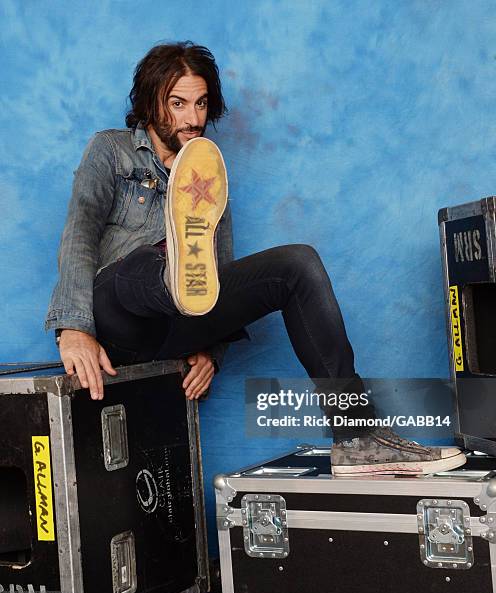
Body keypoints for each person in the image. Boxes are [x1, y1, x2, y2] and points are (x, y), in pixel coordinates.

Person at [45, 41, 466, 476]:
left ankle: (357, 436)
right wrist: (73, 328)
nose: (193, 118)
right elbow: (79, 233)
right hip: (119, 314)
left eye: (201, 103)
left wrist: (210, 348)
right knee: (139, 265)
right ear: (151, 101)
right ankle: (173, 280)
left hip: (171, 330)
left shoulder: (208, 176)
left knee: (298, 264)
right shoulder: (110, 151)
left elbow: (221, 274)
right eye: (178, 104)